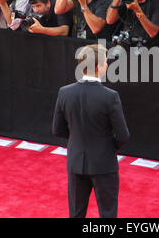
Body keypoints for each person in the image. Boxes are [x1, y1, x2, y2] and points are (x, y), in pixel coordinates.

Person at [52, 43, 130, 218]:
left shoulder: (64, 92)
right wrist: (107, 147)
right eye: (105, 62)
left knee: (76, 214)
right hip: (104, 164)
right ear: (98, 67)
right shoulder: (110, 96)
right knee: (108, 214)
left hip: (75, 162)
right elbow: (123, 135)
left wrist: (77, 140)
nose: (108, 66)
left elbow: (57, 129)